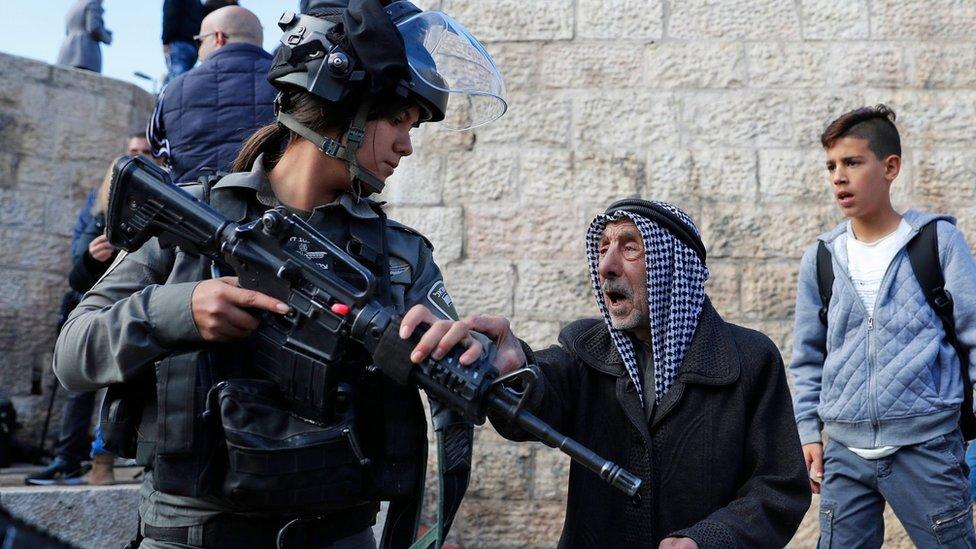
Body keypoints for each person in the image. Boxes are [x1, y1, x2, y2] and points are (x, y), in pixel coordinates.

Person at [54, 2, 505, 547]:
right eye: (398, 121)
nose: (407, 145)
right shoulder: (192, 220)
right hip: (191, 534)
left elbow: (463, 370)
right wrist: (181, 309)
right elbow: (72, 355)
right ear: (343, 108)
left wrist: (490, 359)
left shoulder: (399, 256)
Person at [403, 199, 811, 547]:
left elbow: (778, 487)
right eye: (602, 249)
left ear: (674, 269)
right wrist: (516, 368)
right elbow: (541, 391)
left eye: (630, 249)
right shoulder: (586, 351)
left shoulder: (748, 359)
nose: (607, 266)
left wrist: (708, 539)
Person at [790, 105, 976, 547]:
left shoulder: (937, 241)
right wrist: (806, 432)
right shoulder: (822, 257)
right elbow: (808, 356)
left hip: (928, 446)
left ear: (890, 167)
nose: (839, 176)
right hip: (845, 454)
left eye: (852, 162)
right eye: (831, 166)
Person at [28, 136, 151, 486]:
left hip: (134, 305)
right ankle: (69, 458)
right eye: (132, 153)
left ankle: (107, 458)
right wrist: (91, 258)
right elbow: (76, 272)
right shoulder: (95, 208)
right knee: (79, 384)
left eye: (145, 153)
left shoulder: (158, 204)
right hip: (93, 305)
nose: (138, 159)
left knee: (127, 386)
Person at [148, 5, 276, 184]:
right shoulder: (290, 83)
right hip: (271, 207)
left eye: (199, 41)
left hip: (193, 207)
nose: (198, 50)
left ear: (218, 37)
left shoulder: (172, 89)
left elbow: (157, 150)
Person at [55, 0, 112, 73]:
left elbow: (67, 30)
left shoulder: (75, 6)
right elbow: (94, 27)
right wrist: (107, 37)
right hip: (85, 52)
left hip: (66, 53)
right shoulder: (93, 3)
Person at [162, 0, 204, 84]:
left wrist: (165, 41)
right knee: (186, 82)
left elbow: (170, 15)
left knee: (177, 81)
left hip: (179, 43)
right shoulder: (197, 2)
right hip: (194, 46)